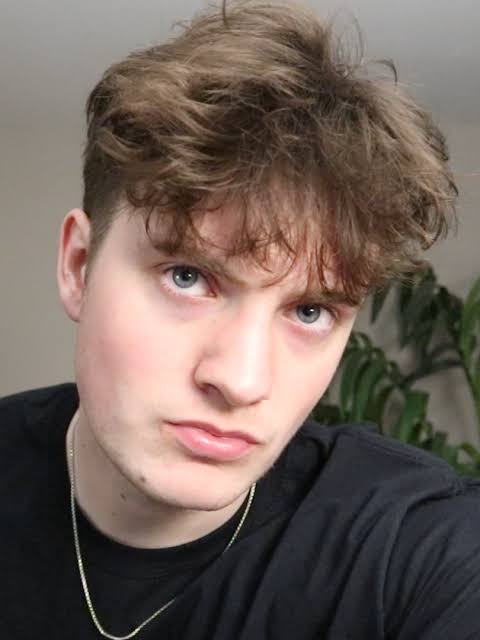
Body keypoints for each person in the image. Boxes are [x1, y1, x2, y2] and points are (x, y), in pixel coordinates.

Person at [1, 0, 479, 638]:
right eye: (187, 277)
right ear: (78, 266)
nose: (241, 380)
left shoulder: (415, 549)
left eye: (310, 310)